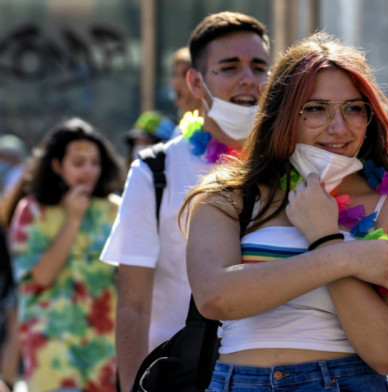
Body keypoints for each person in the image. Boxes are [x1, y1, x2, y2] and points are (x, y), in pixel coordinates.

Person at [181, 32, 388, 391]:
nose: (339, 127)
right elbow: (215, 297)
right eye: (316, 109)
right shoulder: (229, 197)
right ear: (282, 115)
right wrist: (343, 259)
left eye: (354, 108)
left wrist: (325, 238)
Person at [99, 11, 270, 391]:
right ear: (195, 81)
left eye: (259, 67)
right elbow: (132, 303)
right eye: (229, 67)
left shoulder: (290, 167)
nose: (248, 79)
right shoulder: (154, 172)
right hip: (180, 377)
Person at [9, 118, 123, 392]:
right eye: (79, 163)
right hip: (53, 352)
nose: (89, 171)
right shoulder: (32, 212)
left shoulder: (115, 210)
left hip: (103, 352)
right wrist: (73, 220)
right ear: (57, 165)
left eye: (94, 163)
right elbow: (42, 277)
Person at [171, 46, 204, 120]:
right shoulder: (176, 129)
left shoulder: (215, 128)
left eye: (185, 74)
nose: (176, 83)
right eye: (174, 74)